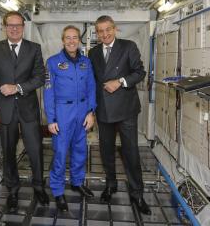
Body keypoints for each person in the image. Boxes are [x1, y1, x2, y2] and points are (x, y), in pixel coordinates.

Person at [0, 11, 49, 212]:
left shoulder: (34, 48)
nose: (14, 28)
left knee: (35, 149)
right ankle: (12, 189)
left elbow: (40, 77)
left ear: (23, 27)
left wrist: (18, 87)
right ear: (4, 27)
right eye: (10, 25)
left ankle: (39, 186)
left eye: (18, 25)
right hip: (3, 110)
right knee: (8, 150)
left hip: (28, 109)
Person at [88, 15, 151, 215]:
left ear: (115, 29)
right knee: (106, 150)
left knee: (130, 152)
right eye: (100, 31)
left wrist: (120, 81)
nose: (105, 34)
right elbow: (93, 80)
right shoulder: (93, 52)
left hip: (126, 109)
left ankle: (137, 193)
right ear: (96, 33)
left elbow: (140, 72)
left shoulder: (128, 46)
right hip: (103, 109)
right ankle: (111, 184)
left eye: (108, 29)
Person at [43, 25, 97, 211]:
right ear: (63, 40)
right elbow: (48, 93)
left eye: (75, 37)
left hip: (82, 112)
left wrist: (91, 112)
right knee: (60, 153)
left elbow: (91, 88)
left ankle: (77, 182)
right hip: (62, 113)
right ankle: (58, 191)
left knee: (80, 151)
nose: (72, 41)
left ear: (79, 40)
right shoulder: (52, 62)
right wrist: (51, 119)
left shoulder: (86, 62)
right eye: (68, 38)